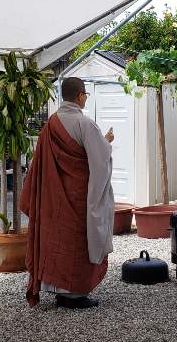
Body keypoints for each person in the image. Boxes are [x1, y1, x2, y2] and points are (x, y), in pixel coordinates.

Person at [19, 77, 115, 309]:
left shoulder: (50, 124)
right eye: (85, 95)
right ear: (80, 96)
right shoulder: (84, 124)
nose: (85, 99)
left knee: (55, 239)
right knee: (76, 241)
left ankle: (57, 290)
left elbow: (39, 164)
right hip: (78, 196)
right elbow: (100, 161)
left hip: (53, 196)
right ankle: (74, 294)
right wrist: (107, 142)